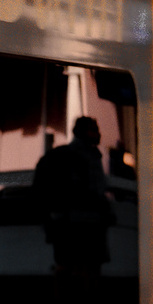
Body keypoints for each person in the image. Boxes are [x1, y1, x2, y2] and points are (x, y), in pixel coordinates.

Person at [33, 116, 115, 278]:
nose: (98, 134)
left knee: (79, 268)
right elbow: (90, 189)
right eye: (93, 130)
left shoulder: (90, 155)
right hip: (76, 221)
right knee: (79, 268)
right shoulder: (72, 156)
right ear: (82, 132)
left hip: (82, 221)